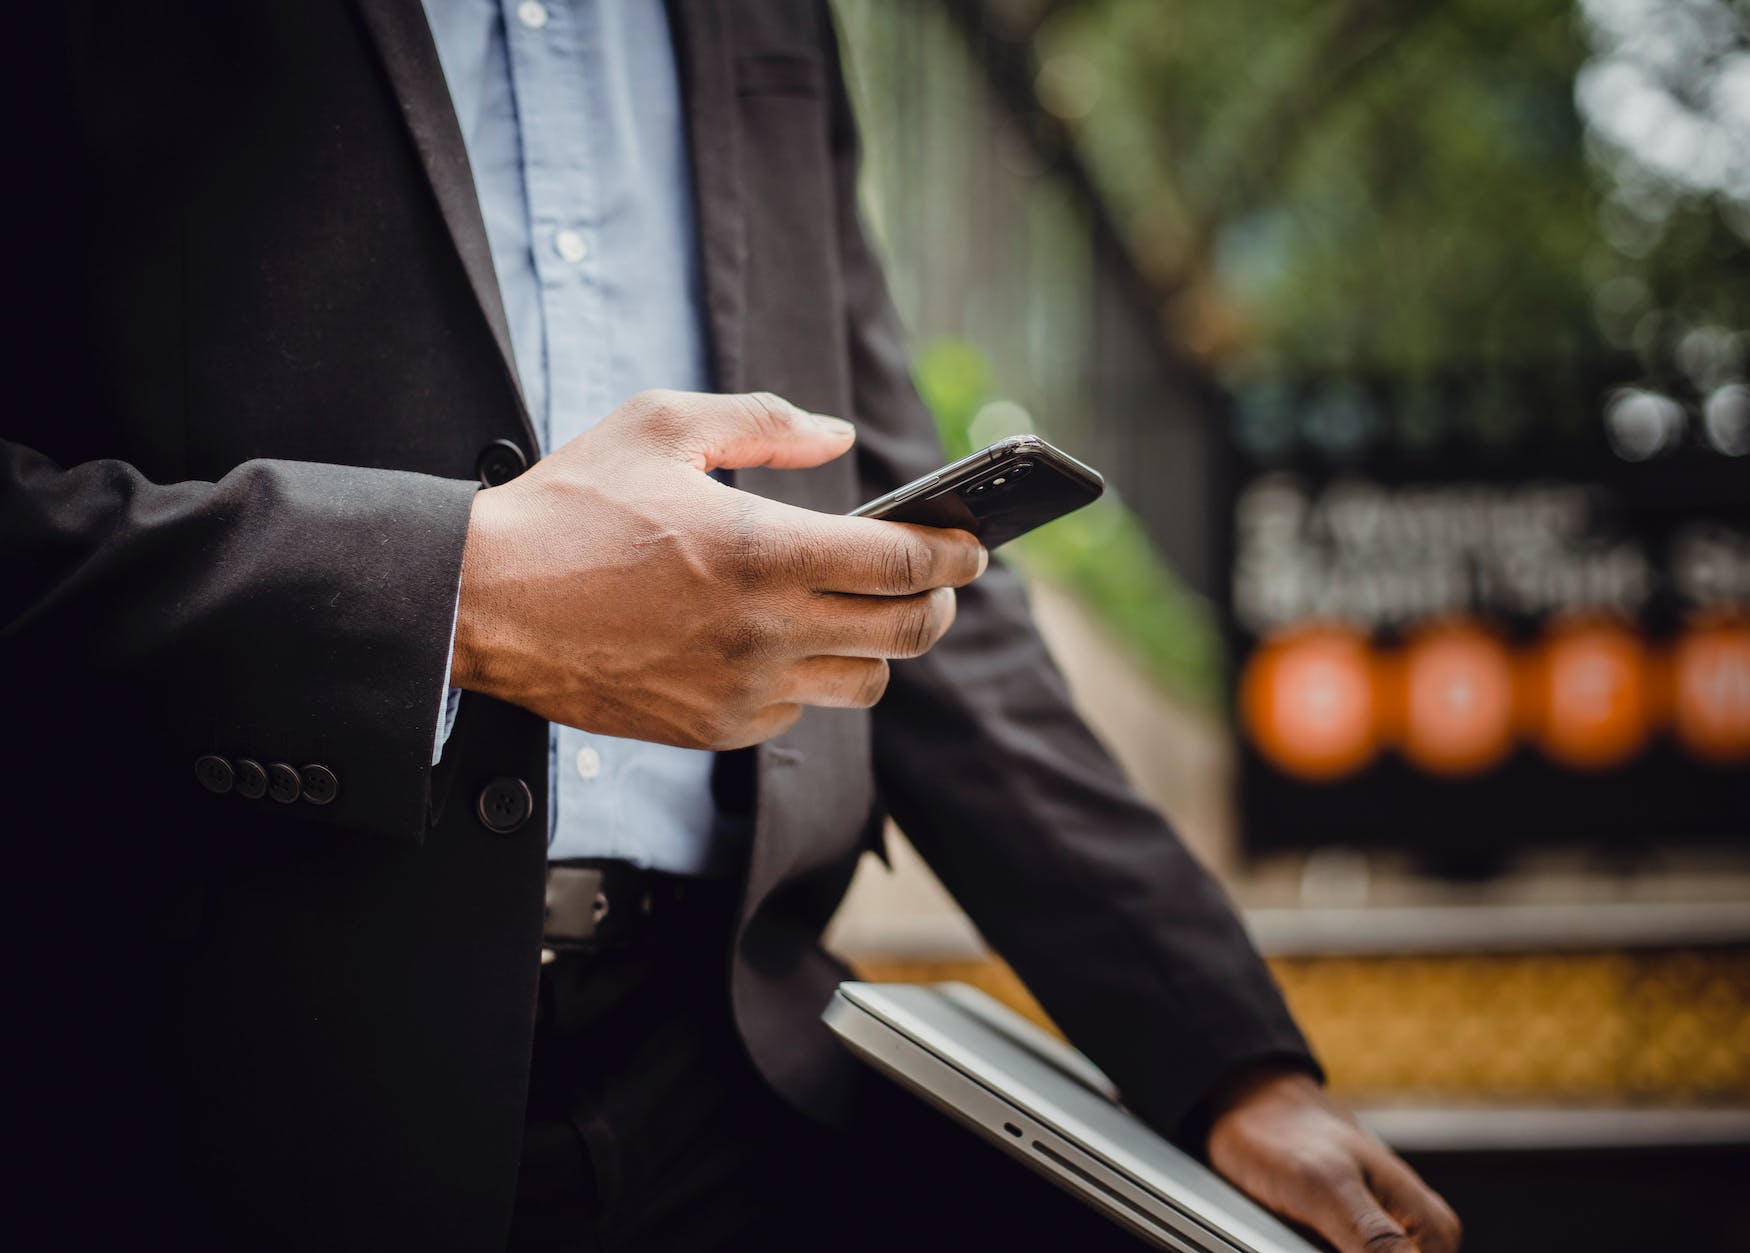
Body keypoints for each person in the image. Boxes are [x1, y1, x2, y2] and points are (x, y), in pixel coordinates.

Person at [1, 2, 1459, 1251]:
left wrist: (1226, 1063)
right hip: (191, 1080)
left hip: (733, 1092)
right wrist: (455, 592)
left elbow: (914, 568)